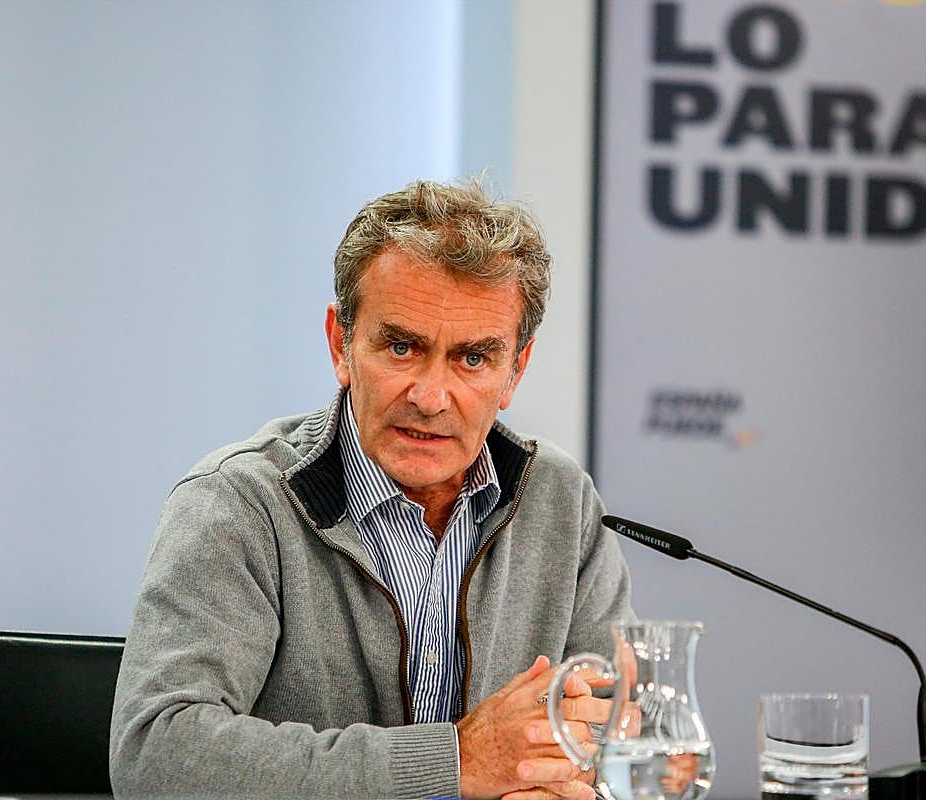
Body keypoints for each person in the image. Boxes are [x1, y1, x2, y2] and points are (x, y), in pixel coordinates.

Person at [110, 179, 635, 799]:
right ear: (341, 344)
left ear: (515, 370)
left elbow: (621, 732)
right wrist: (455, 760)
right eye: (402, 347)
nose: (431, 397)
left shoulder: (560, 501)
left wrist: (572, 780)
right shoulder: (238, 505)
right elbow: (158, 755)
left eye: (472, 359)